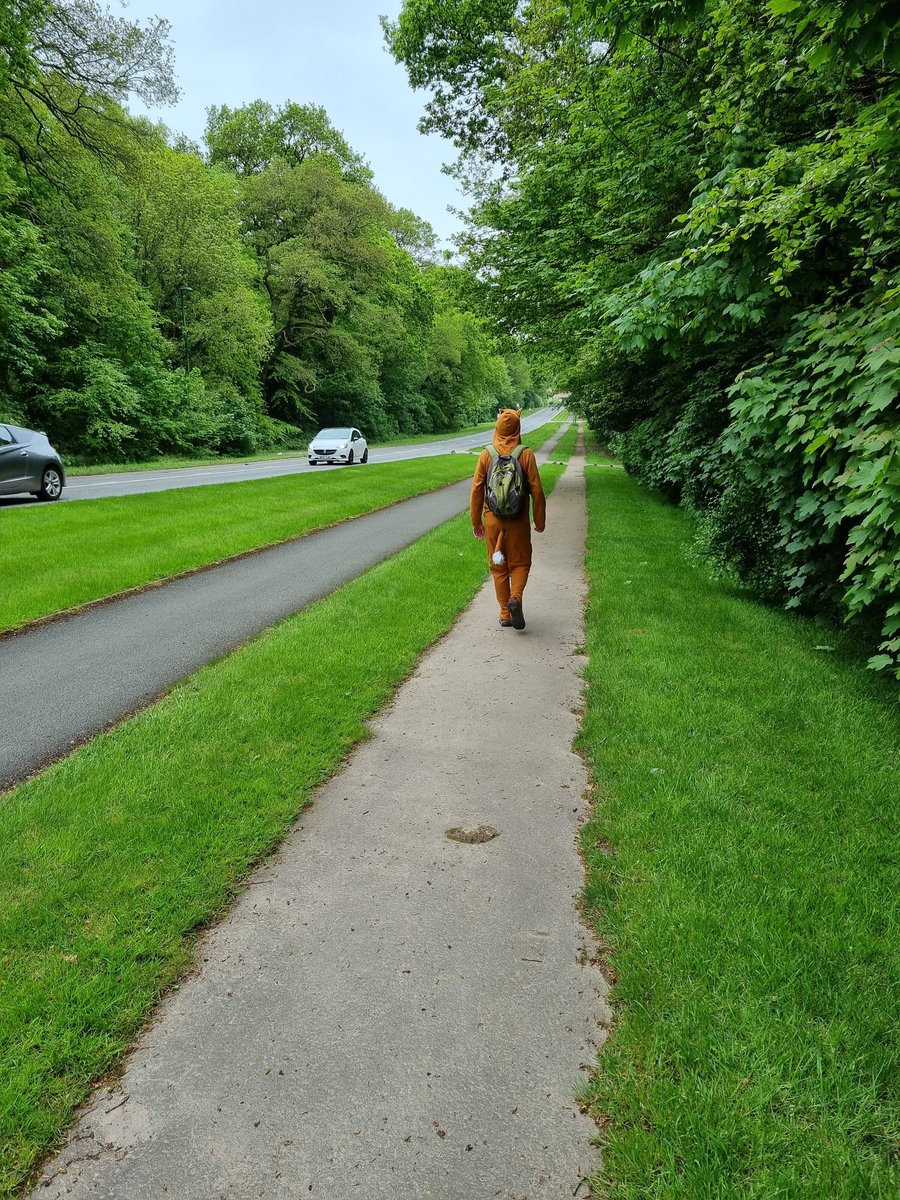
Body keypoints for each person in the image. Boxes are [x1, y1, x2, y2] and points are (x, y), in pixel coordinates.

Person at [470, 408, 546, 630]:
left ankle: (505, 613)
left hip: (492, 519)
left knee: (498, 567)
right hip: (518, 521)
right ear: (517, 427)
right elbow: (538, 491)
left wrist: (476, 522)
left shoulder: (487, 454)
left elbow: (476, 490)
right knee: (520, 562)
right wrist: (539, 521)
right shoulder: (526, 454)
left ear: (498, 428)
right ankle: (516, 598)